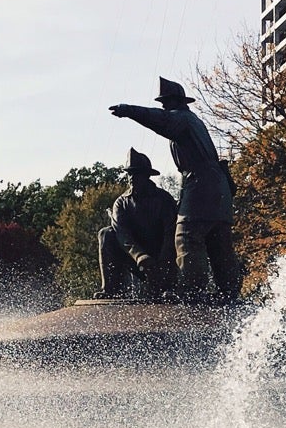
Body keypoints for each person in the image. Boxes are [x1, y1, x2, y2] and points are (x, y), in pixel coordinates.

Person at [110, 78, 240, 300]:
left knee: (187, 236)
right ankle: (228, 289)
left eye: (165, 103)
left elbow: (162, 121)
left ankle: (192, 290)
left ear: (173, 102)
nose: (163, 107)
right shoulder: (195, 121)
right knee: (218, 240)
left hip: (202, 185)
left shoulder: (182, 119)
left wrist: (130, 110)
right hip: (218, 188)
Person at [95, 149, 178, 300]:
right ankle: (110, 289)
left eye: (136, 173)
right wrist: (140, 256)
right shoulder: (121, 203)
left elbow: (170, 234)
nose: (132, 177)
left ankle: (169, 287)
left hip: (163, 258)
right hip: (135, 258)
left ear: (146, 175)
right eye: (129, 174)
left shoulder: (164, 200)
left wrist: (162, 263)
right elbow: (122, 235)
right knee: (105, 234)